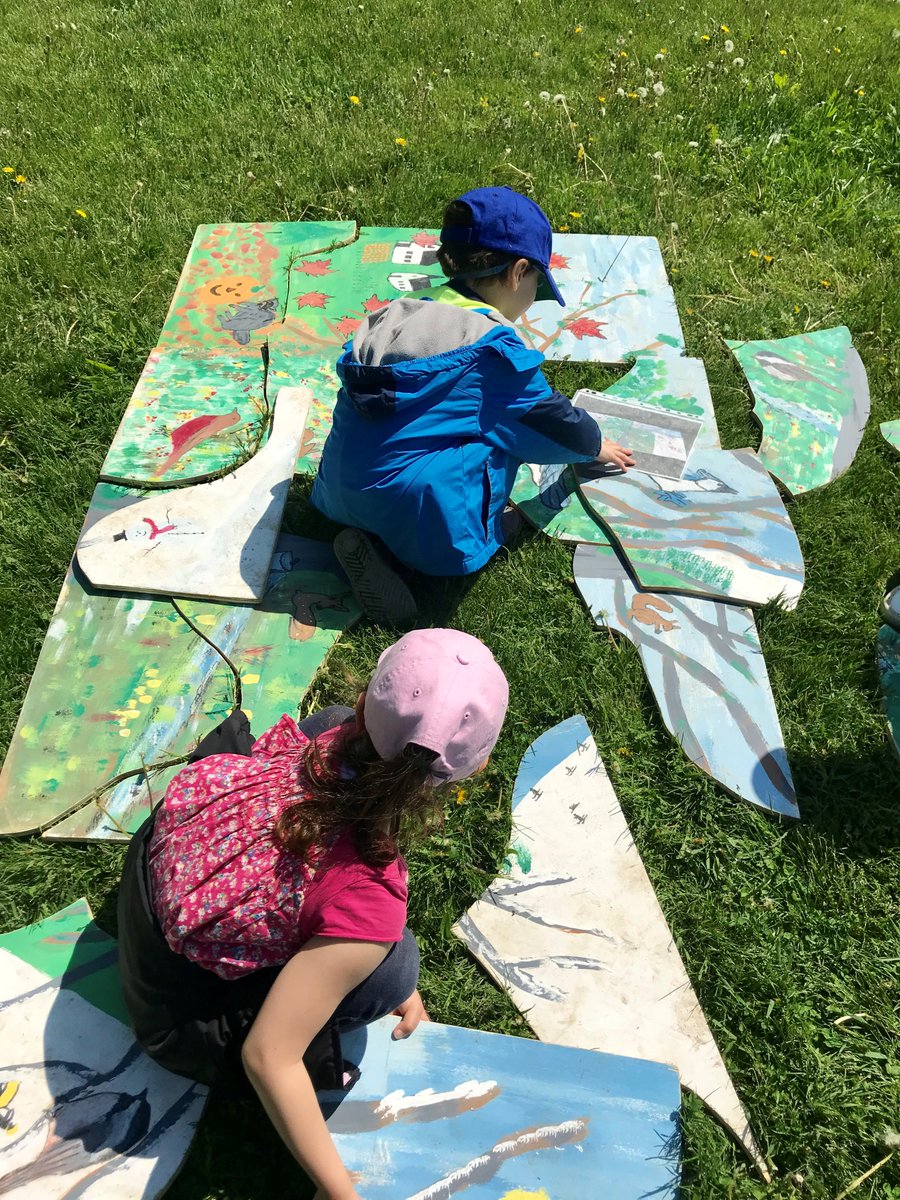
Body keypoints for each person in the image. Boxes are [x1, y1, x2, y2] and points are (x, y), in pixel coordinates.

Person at [117, 628, 509, 1200]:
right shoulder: (369, 898)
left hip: (150, 871)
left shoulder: (330, 734)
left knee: (321, 722)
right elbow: (268, 1056)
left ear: (367, 699)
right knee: (395, 967)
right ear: (469, 768)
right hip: (176, 1015)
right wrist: (338, 1191)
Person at [310, 185, 635, 626]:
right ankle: (416, 567)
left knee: (430, 434)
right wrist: (595, 444)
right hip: (419, 515)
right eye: (537, 283)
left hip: (337, 490)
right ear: (519, 272)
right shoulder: (489, 351)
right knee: (502, 441)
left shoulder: (398, 314)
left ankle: (370, 538)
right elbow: (547, 423)